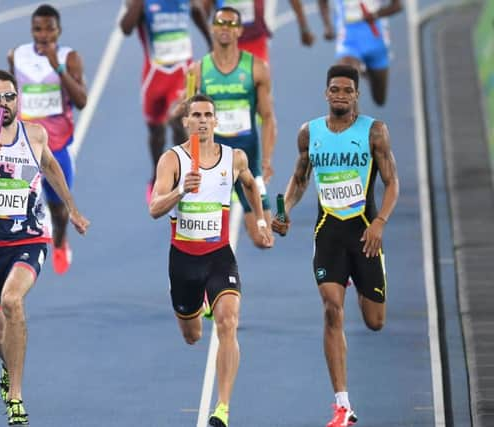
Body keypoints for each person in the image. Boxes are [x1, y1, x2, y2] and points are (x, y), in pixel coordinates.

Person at [0, 70, 90, 426]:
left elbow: (52, 167)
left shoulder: (35, 134)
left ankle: (16, 397)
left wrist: (72, 209)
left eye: (10, 97)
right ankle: (9, 367)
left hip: (29, 239)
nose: (5, 104)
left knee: (12, 301)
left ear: (17, 99)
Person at [271, 65, 399, 427]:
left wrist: (379, 223)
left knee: (374, 322)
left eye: (347, 90)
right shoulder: (309, 133)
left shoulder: (374, 132)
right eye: (334, 90)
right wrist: (287, 211)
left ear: (356, 95)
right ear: (326, 93)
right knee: (331, 309)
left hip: (364, 233)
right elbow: (299, 178)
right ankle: (342, 403)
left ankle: (360, 284)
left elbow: (392, 184)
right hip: (328, 233)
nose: (340, 95)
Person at [149, 94, 272, 427]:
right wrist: (180, 192)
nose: (202, 120)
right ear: (186, 122)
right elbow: (154, 209)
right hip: (183, 261)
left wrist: (260, 221)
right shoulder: (172, 161)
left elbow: (251, 186)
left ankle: (222, 408)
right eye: (196, 115)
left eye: (208, 115)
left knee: (228, 321)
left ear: (216, 122)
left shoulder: (234, 158)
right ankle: (195, 305)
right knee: (192, 336)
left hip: (219, 256)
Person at [186, 6, 276, 249]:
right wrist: (192, 164)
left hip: (247, 160)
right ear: (212, 28)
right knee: (204, 235)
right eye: (220, 23)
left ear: (239, 31)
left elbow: (268, 118)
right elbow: (190, 124)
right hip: (210, 160)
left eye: (231, 24)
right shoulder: (197, 71)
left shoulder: (256, 68)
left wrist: (266, 160)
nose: (225, 28)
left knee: (263, 238)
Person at [8, 4, 88, 274]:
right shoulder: (17, 56)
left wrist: (60, 68)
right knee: (20, 204)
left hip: (56, 148)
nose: (43, 34)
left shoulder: (70, 57)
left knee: (58, 208)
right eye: (38, 29)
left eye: (49, 29)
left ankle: (61, 240)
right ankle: (21, 253)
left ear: (59, 30)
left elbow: (82, 101)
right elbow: (11, 96)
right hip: (25, 147)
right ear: (32, 30)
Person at [120, 0, 212, 203]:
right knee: (156, 131)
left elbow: (196, 10)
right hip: (155, 74)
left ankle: (183, 174)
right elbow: (126, 28)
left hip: (182, 72)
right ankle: (156, 174)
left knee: (178, 120)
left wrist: (211, 44)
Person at [317, 0, 402, 106]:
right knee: (346, 82)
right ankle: (350, 120)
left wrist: (376, 14)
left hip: (375, 37)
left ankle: (366, 73)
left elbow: (397, 6)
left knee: (379, 99)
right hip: (349, 38)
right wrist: (327, 26)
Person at [202, 0, 317, 62]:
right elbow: (203, 9)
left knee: (261, 94)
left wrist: (304, 28)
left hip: (255, 41)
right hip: (226, 46)